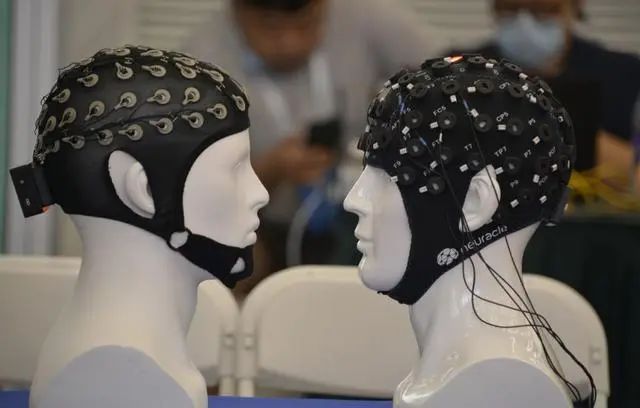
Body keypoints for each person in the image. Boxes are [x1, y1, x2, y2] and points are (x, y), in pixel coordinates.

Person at [181, 0, 445, 291]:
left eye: (307, 23)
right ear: (236, 11)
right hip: (263, 227)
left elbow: (446, 83)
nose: (290, 43)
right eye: (270, 28)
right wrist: (268, 171)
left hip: (363, 216)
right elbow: (196, 196)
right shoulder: (198, 64)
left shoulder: (371, 18)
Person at [452, 0, 640, 184]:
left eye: (544, 10)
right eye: (509, 9)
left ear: (575, 7)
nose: (524, 24)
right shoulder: (458, 71)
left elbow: (633, 178)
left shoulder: (622, 73)